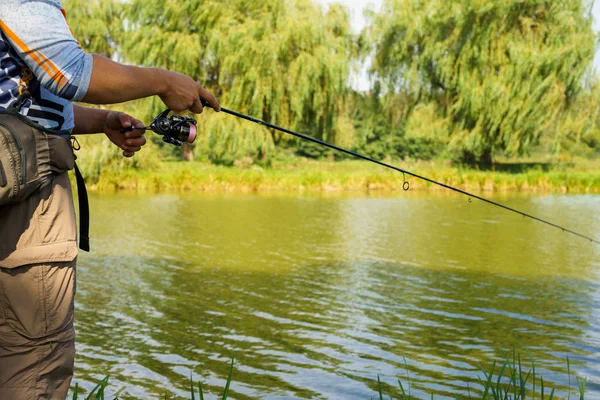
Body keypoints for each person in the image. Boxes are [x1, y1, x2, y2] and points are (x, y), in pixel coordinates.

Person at [0, 1, 220, 399]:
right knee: (35, 356)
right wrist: (165, 81)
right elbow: (68, 71)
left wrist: (101, 121)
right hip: (27, 198)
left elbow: (24, 99)